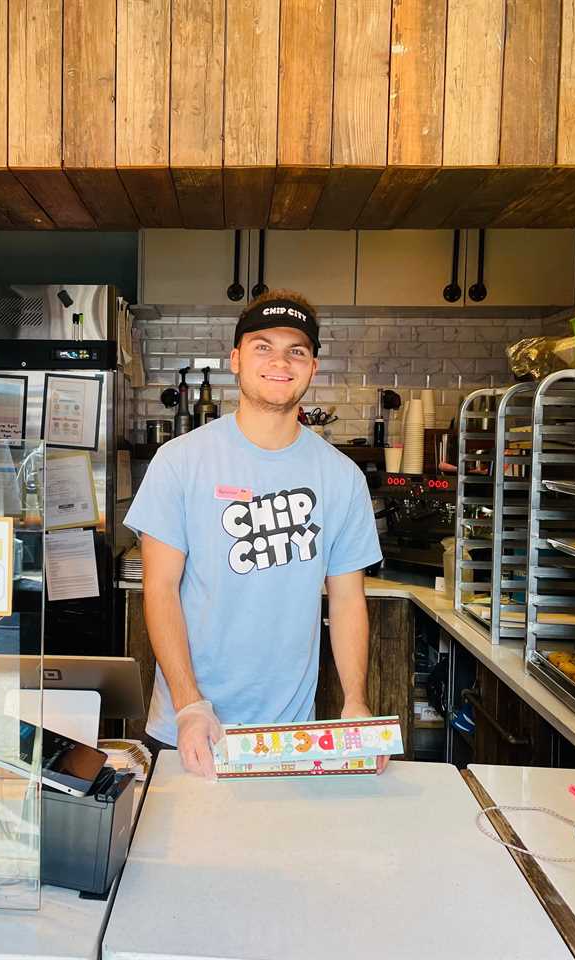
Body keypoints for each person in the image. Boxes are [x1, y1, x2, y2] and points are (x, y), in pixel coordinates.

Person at [124, 289, 386, 778]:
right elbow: (159, 590)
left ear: (312, 367)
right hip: (189, 728)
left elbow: (348, 600)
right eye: (263, 346)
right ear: (236, 359)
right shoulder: (181, 460)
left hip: (286, 734)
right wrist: (188, 704)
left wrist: (355, 703)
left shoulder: (341, 475)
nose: (279, 362)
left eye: (296, 351)